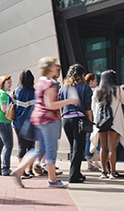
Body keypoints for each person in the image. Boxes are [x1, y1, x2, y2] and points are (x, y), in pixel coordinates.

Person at [12, 57, 78, 188]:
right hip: (49, 120)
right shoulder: (50, 84)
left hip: (39, 119)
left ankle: (19, 170)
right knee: (50, 149)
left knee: (39, 149)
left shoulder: (41, 81)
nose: (57, 68)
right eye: (55, 66)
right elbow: (51, 104)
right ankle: (52, 180)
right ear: (49, 68)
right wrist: (69, 101)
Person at [90, 70, 124, 179]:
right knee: (112, 147)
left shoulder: (97, 90)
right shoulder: (117, 89)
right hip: (114, 122)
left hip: (101, 122)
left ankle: (103, 172)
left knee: (103, 147)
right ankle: (113, 172)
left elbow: (93, 108)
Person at [59, 64, 93, 183]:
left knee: (73, 147)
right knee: (78, 148)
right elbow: (88, 107)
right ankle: (73, 176)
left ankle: (77, 173)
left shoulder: (63, 87)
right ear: (82, 75)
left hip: (66, 119)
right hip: (79, 119)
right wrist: (90, 121)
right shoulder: (85, 87)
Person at [9, 70, 36, 180]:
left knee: (21, 147)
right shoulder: (36, 93)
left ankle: (22, 171)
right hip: (32, 124)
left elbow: (9, 108)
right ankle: (30, 170)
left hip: (18, 124)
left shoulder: (15, 93)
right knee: (31, 148)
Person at [0, 75, 13, 176]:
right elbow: (5, 109)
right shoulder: (3, 94)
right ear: (2, 83)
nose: (10, 84)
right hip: (4, 123)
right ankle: (5, 169)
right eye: (8, 82)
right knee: (9, 146)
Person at [84, 73, 101, 172]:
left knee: (89, 139)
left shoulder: (85, 90)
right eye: (95, 80)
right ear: (91, 81)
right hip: (93, 118)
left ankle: (89, 162)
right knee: (93, 138)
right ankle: (92, 161)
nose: (97, 82)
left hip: (88, 118)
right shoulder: (93, 91)